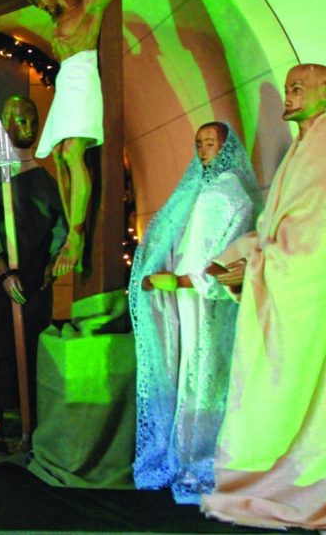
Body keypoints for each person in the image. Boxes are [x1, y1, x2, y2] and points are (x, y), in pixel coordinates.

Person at [201, 65, 326, 530]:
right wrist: (236, 258)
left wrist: (255, 267)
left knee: (317, 398)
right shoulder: (301, 153)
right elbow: (277, 231)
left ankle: (304, 483)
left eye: (297, 88)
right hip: (288, 292)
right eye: (287, 88)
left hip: (314, 305)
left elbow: (321, 249)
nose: (288, 97)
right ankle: (271, 477)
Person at [1, 0, 168, 273]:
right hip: (66, 84)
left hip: (83, 79)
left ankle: (76, 235)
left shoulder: (91, 5)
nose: (40, 7)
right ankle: (71, 226)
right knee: (59, 155)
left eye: (40, 1)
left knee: (74, 151)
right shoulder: (58, 18)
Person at [128, 122, 261, 504]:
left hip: (210, 300)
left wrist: (187, 281)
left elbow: (227, 255)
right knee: (188, 369)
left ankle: (203, 459)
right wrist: (161, 273)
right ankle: (184, 453)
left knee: (207, 375)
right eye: (199, 143)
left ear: (226, 147)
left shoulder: (232, 193)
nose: (204, 151)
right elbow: (180, 241)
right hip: (186, 296)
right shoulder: (198, 189)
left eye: (211, 143)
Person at [0, 96, 67, 455]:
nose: (28, 127)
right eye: (20, 120)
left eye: (32, 119)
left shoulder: (46, 181)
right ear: (6, 125)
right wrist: (3, 271)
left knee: (35, 348)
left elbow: (61, 227)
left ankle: (31, 421)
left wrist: (52, 264)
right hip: (1, 281)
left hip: (36, 282)